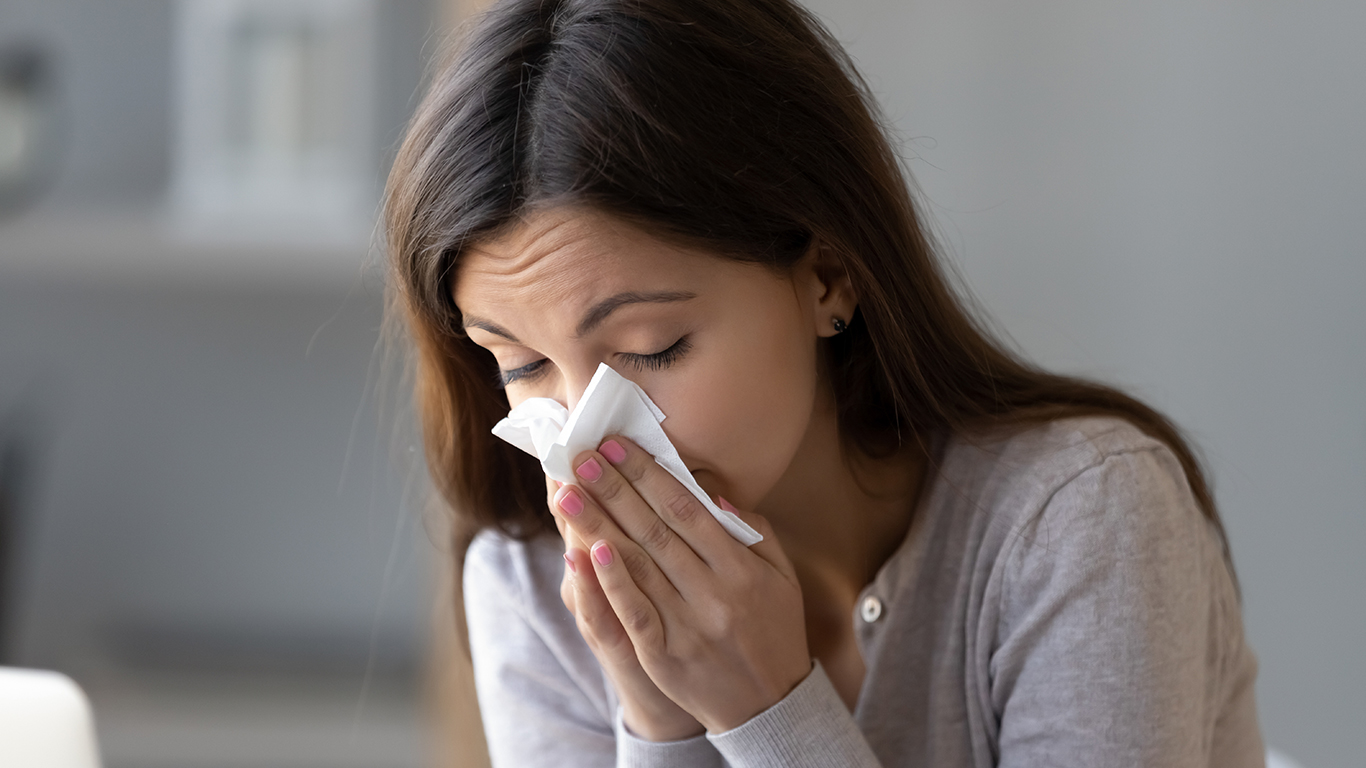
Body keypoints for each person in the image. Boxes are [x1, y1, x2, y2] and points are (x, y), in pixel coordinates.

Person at [383, 0, 1265, 765]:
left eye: (654, 348)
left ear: (829, 278)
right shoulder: (534, 584)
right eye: (522, 365)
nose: (586, 440)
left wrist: (767, 713)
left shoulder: (1076, 523)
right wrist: (659, 723)